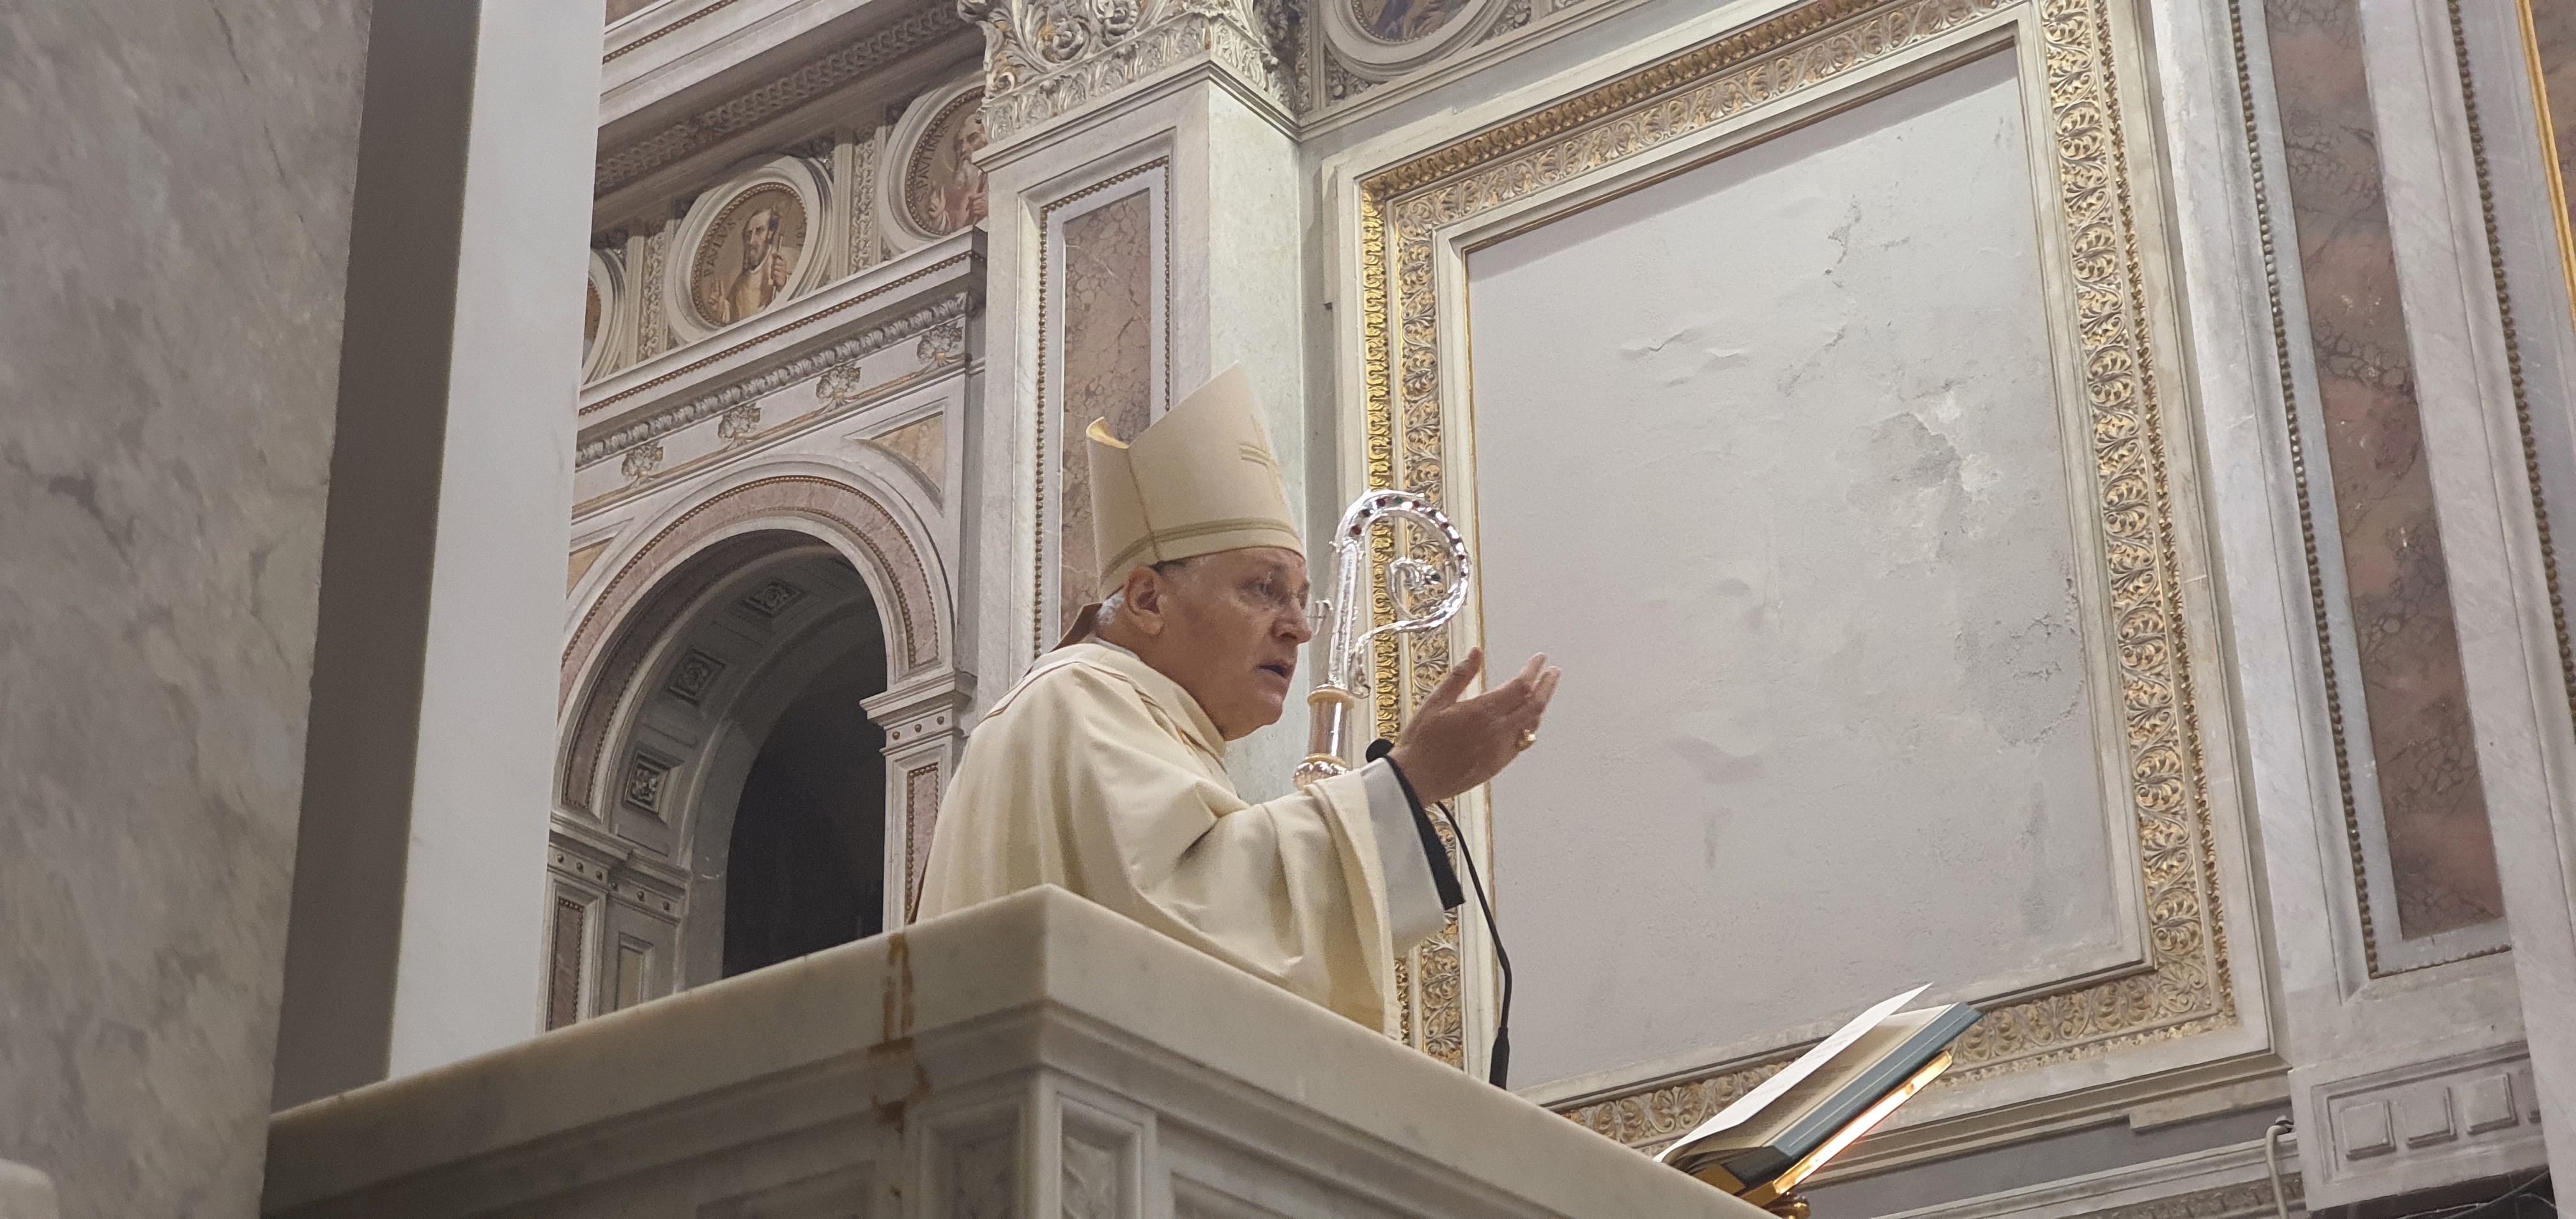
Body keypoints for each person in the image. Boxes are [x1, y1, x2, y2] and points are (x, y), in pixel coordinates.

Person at [916, 366, 1561, 1034]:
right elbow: (1187, 923)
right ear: (1147, 599)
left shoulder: (1137, 717)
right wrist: (1408, 781)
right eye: (1263, 589)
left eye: (1301, 599)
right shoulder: (1080, 698)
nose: (1299, 627)